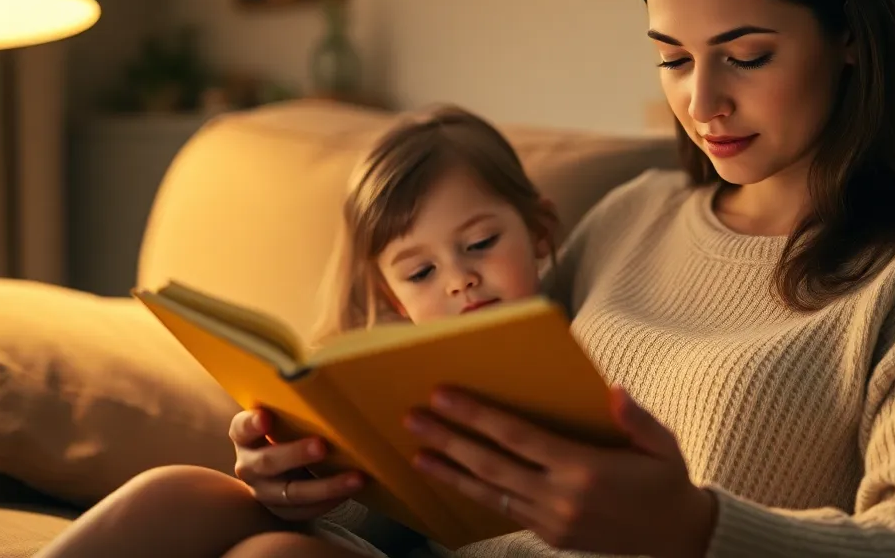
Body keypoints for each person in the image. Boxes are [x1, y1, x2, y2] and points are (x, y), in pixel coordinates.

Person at [56, 0, 895, 558]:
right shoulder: (633, 218)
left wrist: (690, 530)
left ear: (852, 34)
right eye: (672, 58)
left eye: (747, 56)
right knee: (184, 498)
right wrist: (333, 482)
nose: (702, 102)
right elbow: (479, 464)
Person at [34, 105, 561, 558]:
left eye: (481, 242)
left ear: (540, 232)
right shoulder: (388, 375)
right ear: (391, 297)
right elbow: (366, 526)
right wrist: (300, 478)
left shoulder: (579, 353)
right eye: (421, 272)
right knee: (175, 491)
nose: (459, 279)